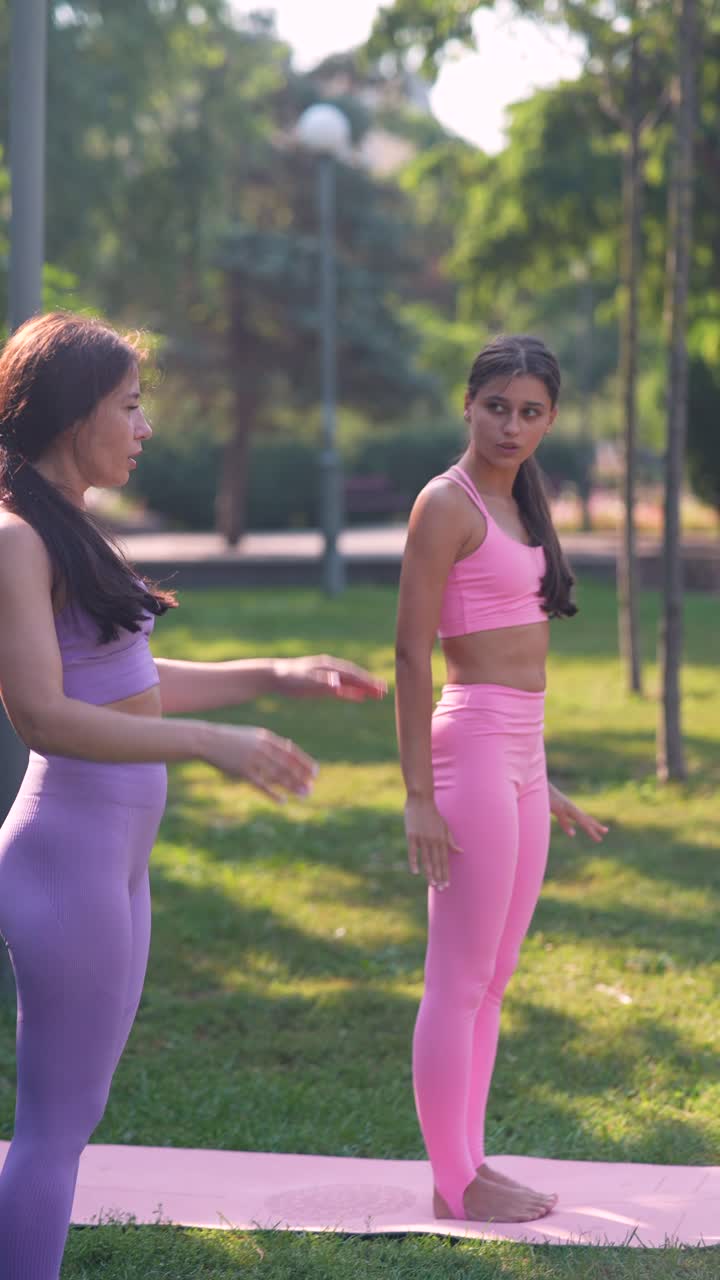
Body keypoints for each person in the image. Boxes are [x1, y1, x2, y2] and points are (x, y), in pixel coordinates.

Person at [0, 311, 385, 1280]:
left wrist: (273, 671)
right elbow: (44, 716)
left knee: (69, 1122)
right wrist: (211, 744)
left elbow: (127, 683)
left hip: (112, 862)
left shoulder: (64, 521)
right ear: (68, 414)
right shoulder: (14, 539)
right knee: (51, 1131)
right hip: (65, 860)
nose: (145, 426)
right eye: (129, 406)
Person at [395, 334, 608, 1224]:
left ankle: (468, 1166)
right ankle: (456, 1180)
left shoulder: (522, 502)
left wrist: (541, 779)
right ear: (468, 404)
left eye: (530, 412)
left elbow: (523, 659)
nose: (511, 425)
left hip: (521, 753)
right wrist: (418, 796)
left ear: (550, 418)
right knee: (459, 975)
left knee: (495, 977)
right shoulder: (445, 504)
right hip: (471, 747)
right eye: (496, 407)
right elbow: (411, 655)